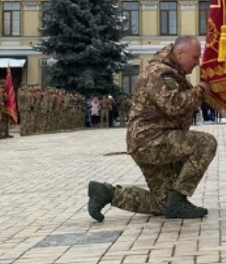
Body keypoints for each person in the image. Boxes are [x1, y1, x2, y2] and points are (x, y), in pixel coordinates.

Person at [87, 35, 217, 221]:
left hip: (149, 141)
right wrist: (202, 90)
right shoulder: (160, 73)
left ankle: (106, 193)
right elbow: (174, 105)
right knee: (206, 143)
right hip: (151, 140)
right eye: (195, 57)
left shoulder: (172, 73)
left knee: (164, 204)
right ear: (179, 53)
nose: (198, 63)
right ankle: (179, 200)